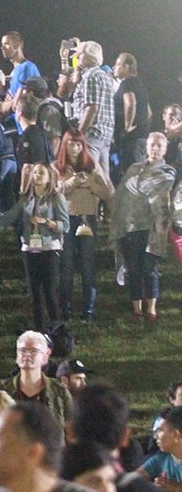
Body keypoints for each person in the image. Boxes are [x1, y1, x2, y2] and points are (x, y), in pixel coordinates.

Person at [0, 162, 69, 331]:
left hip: (50, 248)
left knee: (50, 291)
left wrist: (46, 222)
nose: (37, 176)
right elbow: (8, 217)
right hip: (29, 248)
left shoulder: (56, 198)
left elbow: (65, 226)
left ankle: (57, 328)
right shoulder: (26, 200)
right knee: (35, 293)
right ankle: (40, 330)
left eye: (41, 173)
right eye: (35, 173)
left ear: (49, 177)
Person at [110, 131, 175, 322]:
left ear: (165, 149)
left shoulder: (168, 171)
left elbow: (158, 186)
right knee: (134, 268)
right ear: (146, 147)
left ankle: (152, 308)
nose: (155, 148)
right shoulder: (133, 169)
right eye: (152, 145)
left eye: (159, 145)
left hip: (153, 228)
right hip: (131, 225)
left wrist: (137, 186)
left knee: (149, 268)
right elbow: (123, 193)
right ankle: (137, 308)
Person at [55, 129, 113, 321]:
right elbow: (53, 193)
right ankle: (66, 309)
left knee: (88, 265)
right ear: (65, 145)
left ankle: (88, 309)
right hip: (66, 221)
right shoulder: (57, 167)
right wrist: (71, 183)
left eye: (79, 144)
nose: (75, 148)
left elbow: (106, 192)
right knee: (67, 266)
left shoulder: (91, 165)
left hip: (87, 219)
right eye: (71, 144)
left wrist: (90, 185)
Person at [0, 330, 73, 429]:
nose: (27, 354)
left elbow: (71, 428)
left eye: (33, 351)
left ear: (44, 357)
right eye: (22, 350)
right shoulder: (2, 389)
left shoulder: (59, 391)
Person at [71, 40, 116, 180]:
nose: (77, 57)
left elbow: (91, 108)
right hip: (106, 134)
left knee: (90, 177)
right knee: (104, 178)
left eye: (81, 54)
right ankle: (109, 202)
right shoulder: (106, 77)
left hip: (92, 134)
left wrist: (80, 133)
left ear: (91, 56)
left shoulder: (91, 76)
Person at [139, 407, 182, 492]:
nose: (155, 436)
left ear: (176, 434)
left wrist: (177, 489)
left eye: (160, 431)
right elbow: (134, 480)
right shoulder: (160, 460)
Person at [113, 52, 151, 172]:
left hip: (131, 140)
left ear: (127, 67)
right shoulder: (140, 85)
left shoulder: (127, 83)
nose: (115, 67)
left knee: (131, 175)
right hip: (142, 137)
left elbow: (130, 103)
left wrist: (126, 127)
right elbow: (149, 112)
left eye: (118, 64)